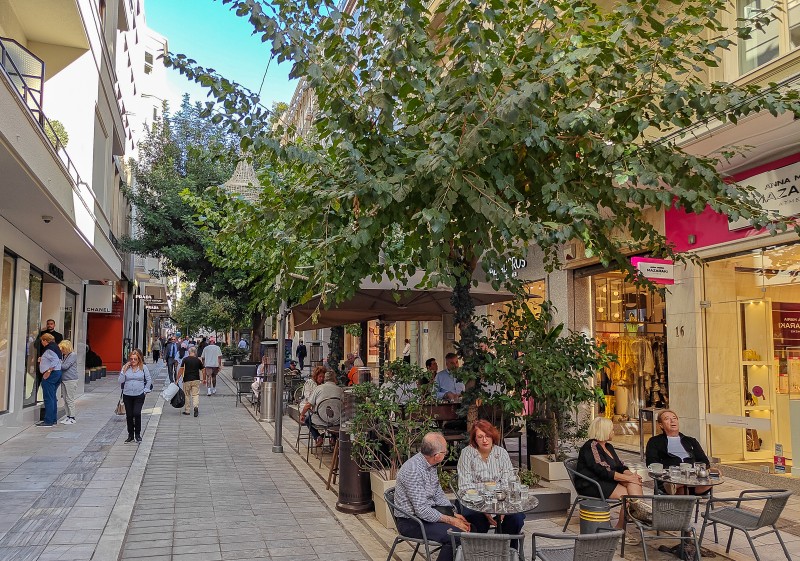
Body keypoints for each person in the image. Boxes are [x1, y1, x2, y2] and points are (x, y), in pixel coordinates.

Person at [394, 432, 470, 561]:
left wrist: (452, 513)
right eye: (445, 452)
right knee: (455, 537)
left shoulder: (430, 464)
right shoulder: (413, 470)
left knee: (470, 527)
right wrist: (451, 520)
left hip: (428, 514)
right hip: (411, 521)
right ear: (437, 456)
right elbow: (422, 510)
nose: (446, 454)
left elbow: (438, 493)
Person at [457, 420, 524, 538]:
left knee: (516, 518)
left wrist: (502, 509)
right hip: (474, 502)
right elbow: (465, 486)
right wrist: (485, 511)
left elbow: (508, 481)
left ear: (493, 436)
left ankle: (509, 551)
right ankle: (480, 553)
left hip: (499, 501)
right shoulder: (467, 453)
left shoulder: (501, 453)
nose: (484, 440)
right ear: (474, 439)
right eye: (480, 436)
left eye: (487, 436)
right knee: (477, 521)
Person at [576, 417, 643, 528]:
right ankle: (629, 522)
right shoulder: (591, 446)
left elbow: (620, 466)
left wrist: (631, 475)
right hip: (591, 484)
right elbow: (602, 471)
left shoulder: (608, 446)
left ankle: (637, 513)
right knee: (629, 497)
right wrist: (629, 479)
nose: (613, 432)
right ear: (604, 431)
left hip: (606, 480)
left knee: (633, 485)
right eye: (611, 429)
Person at [645, 409, 711, 495]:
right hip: (670, 477)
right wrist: (672, 470)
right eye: (667, 419)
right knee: (677, 486)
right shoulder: (654, 441)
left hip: (693, 477)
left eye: (674, 418)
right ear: (661, 425)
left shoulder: (691, 441)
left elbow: (704, 461)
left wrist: (694, 471)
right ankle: (677, 487)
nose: (672, 420)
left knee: (716, 472)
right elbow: (651, 463)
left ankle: (677, 487)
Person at [301, 370, 343, 446]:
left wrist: (302, 414)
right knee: (333, 420)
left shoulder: (318, 388)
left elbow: (308, 405)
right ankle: (333, 438)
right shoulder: (340, 390)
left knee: (307, 420)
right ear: (335, 379)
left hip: (320, 420)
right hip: (336, 421)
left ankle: (317, 437)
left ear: (325, 379)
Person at [118, 349, 152, 443]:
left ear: (139, 359)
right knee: (129, 415)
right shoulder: (126, 367)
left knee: (136, 413)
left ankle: (137, 434)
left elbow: (149, 380)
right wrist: (123, 370)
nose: (133, 361)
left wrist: (145, 391)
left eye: (135, 359)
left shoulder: (143, 367)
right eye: (131, 359)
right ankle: (130, 435)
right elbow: (120, 381)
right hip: (127, 394)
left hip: (139, 394)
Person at [36, 333, 63, 427]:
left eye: (42, 341)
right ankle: (53, 419)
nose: (42, 343)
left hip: (51, 374)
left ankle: (48, 421)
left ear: (45, 340)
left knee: (48, 398)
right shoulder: (55, 347)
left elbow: (55, 360)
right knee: (52, 397)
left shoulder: (49, 349)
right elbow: (58, 359)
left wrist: (48, 370)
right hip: (57, 373)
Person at [178, 347, 203, 417]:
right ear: (195, 352)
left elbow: (181, 370)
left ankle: (187, 410)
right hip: (196, 380)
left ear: (189, 352)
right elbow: (203, 370)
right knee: (195, 395)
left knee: (187, 395)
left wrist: (177, 379)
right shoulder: (198, 360)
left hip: (187, 380)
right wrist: (204, 379)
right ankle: (195, 407)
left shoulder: (185, 360)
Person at [58, 340, 78, 424]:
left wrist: (58, 362)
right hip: (64, 379)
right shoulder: (65, 356)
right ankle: (68, 416)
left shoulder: (72, 355)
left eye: (62, 348)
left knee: (70, 399)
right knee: (65, 399)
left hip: (71, 380)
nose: (61, 350)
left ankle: (72, 417)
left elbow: (65, 366)